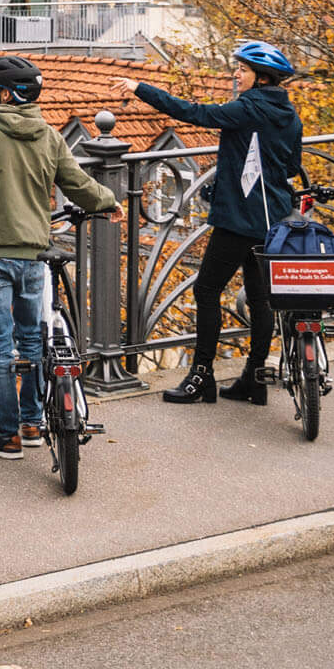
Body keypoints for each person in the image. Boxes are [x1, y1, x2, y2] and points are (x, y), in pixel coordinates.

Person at [0, 55, 119, 459]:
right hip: (35, 253)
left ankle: (6, 434)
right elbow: (77, 183)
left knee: (0, 346)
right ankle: (33, 422)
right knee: (32, 340)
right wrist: (108, 201)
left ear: (5, 93)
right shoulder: (50, 136)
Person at [119, 40, 304, 406]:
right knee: (260, 298)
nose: (237, 75)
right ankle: (254, 379)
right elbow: (291, 164)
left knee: (205, 291)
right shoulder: (290, 115)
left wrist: (139, 88)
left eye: (243, 70)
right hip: (275, 217)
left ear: (262, 78)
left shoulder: (249, 108)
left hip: (240, 219)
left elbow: (194, 113)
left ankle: (201, 376)